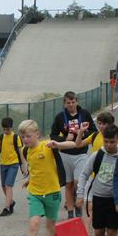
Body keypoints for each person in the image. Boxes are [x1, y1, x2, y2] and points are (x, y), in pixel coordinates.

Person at [16, 120, 76, 236]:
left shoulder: (47, 145)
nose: (25, 139)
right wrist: (29, 180)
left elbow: (73, 145)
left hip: (52, 192)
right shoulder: (25, 151)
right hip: (35, 193)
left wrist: (58, 144)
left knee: (50, 224)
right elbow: (34, 169)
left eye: (28, 136)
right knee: (34, 224)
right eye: (22, 137)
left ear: (37, 134)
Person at [76, 125, 118, 236]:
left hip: (115, 200)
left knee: (112, 232)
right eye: (106, 141)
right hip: (98, 198)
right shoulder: (97, 156)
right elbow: (84, 174)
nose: (109, 145)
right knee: (98, 232)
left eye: (112, 142)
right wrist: (80, 194)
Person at [49, 91, 97, 220]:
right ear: (64, 103)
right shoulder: (60, 117)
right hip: (65, 154)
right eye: (68, 103)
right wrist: (64, 137)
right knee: (68, 184)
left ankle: (78, 205)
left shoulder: (84, 114)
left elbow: (94, 131)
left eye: (73, 102)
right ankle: (71, 213)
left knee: (78, 183)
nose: (71, 105)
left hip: (80, 153)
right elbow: (53, 135)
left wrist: (82, 133)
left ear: (77, 101)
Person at [0, 117, 24, 217]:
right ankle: (11, 202)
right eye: (4, 129)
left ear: (11, 127)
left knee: (8, 185)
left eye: (7, 129)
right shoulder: (0, 137)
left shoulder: (16, 137)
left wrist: (23, 166)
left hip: (14, 164)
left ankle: (7, 208)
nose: (5, 131)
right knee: (3, 186)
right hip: (3, 164)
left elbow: (20, 152)